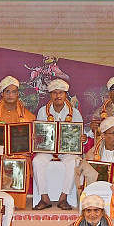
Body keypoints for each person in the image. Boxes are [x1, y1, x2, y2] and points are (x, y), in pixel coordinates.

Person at [33, 78, 83, 210]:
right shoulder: (43, 111)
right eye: (54, 93)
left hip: (67, 150)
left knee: (73, 162)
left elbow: (79, 133)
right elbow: (40, 133)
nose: (58, 96)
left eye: (61, 93)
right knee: (37, 161)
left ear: (66, 94)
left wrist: (81, 138)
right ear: (50, 95)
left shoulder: (75, 113)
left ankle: (63, 198)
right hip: (47, 149)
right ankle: (44, 198)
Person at [79, 117, 114, 188]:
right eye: (113, 133)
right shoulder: (93, 153)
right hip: (98, 189)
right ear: (103, 135)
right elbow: (84, 172)